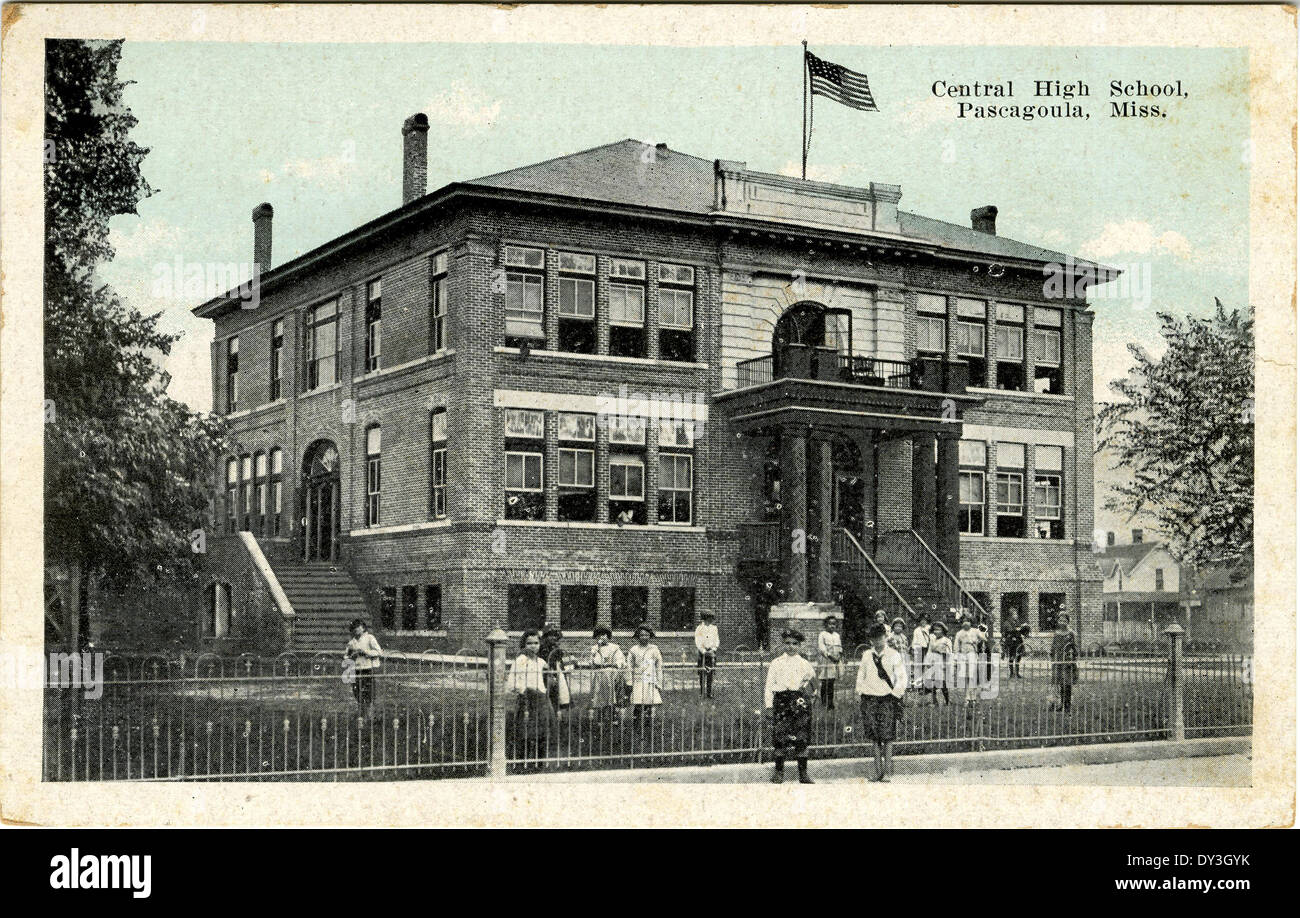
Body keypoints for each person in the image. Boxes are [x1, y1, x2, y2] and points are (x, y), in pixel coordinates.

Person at [764, 628, 818, 784]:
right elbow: (769, 686)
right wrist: (769, 706)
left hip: (799, 702)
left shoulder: (805, 664)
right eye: (787, 643)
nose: (791, 647)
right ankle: (779, 773)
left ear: (799, 645)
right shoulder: (776, 663)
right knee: (780, 737)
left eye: (795, 644)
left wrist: (810, 699)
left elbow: (814, 683)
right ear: (783, 644)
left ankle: (803, 774)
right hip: (781, 702)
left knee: (801, 738)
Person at [857, 622, 908, 782]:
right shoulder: (867, 655)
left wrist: (895, 695)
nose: (878, 641)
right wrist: (860, 691)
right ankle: (877, 772)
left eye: (880, 637)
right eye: (874, 638)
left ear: (886, 637)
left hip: (887, 699)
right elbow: (861, 675)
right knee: (874, 737)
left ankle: (887, 773)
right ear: (871, 639)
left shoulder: (894, 655)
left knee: (887, 737)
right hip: (870, 698)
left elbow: (902, 678)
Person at [509, 630, 552, 757]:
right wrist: (524, 691)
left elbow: (548, 675)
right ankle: (523, 760)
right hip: (527, 699)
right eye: (529, 643)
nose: (533, 646)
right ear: (524, 645)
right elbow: (513, 682)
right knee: (526, 730)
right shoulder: (521, 660)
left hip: (542, 699)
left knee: (542, 731)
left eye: (536, 643)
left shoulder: (541, 661)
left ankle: (539, 761)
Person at [625, 624, 663, 730]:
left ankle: (648, 724)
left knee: (649, 702)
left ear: (650, 636)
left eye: (646, 635)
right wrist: (629, 680)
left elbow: (659, 666)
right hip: (638, 679)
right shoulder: (634, 650)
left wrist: (659, 681)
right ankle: (636, 724)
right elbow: (629, 666)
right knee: (638, 702)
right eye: (641, 635)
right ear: (638, 636)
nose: (644, 637)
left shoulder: (654, 649)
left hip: (650, 678)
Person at [343, 618, 383, 713]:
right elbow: (346, 656)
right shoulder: (351, 642)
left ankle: (369, 714)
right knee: (357, 692)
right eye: (354, 628)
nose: (356, 629)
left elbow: (379, 652)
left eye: (358, 627)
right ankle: (361, 712)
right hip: (355, 670)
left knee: (368, 692)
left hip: (367, 668)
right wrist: (351, 656)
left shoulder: (370, 638)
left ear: (363, 627)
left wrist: (365, 652)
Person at [589, 626, 625, 714]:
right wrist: (595, 653)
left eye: (604, 635)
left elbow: (620, 661)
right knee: (600, 695)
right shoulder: (595, 649)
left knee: (612, 694)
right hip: (599, 676)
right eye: (599, 635)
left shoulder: (614, 648)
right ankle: (600, 715)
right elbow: (593, 663)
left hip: (611, 674)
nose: (602, 637)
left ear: (608, 636)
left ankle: (613, 714)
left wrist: (611, 664)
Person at [1049, 614, 1079, 713]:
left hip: (1068, 662)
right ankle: (1062, 704)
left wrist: (1072, 657)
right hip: (1058, 662)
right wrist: (1052, 657)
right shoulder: (1056, 633)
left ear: (1068, 621)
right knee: (1061, 684)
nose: (1062, 622)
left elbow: (1075, 648)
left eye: (1064, 620)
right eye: (1060, 620)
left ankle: (1067, 705)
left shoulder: (1071, 633)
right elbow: (1053, 647)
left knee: (1067, 683)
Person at [540, 627, 572, 714]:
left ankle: (558, 713)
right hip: (547, 674)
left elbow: (561, 660)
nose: (554, 638)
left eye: (555, 636)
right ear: (546, 637)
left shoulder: (556, 648)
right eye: (551, 636)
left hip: (557, 671)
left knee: (560, 691)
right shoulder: (543, 649)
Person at [815, 616, 844, 709]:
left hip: (835, 661)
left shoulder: (837, 635)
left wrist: (839, 656)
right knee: (825, 682)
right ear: (826, 625)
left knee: (831, 682)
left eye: (834, 624)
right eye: (830, 624)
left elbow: (840, 648)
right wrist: (831, 656)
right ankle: (824, 702)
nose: (832, 626)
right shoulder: (822, 634)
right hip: (826, 660)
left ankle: (830, 704)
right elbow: (822, 648)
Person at [953, 617, 981, 707]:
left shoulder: (975, 631)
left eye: (968, 621)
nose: (966, 623)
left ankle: (973, 698)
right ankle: (967, 698)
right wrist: (956, 657)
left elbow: (983, 638)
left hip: (972, 654)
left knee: (972, 676)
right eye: (964, 621)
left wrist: (976, 641)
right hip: (963, 655)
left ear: (971, 623)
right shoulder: (959, 633)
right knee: (966, 677)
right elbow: (956, 646)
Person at [923, 621, 952, 705]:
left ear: (943, 630)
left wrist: (946, 664)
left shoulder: (946, 640)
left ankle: (947, 701)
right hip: (932, 660)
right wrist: (927, 662)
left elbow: (949, 653)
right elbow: (929, 650)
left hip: (941, 661)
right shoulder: (932, 639)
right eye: (935, 630)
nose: (936, 631)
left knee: (942, 682)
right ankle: (934, 701)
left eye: (938, 630)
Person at [694, 611, 720, 699]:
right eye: (710, 618)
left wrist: (713, 649)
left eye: (712, 619)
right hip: (703, 653)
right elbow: (698, 641)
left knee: (710, 673)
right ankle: (702, 692)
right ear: (705, 618)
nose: (711, 620)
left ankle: (709, 692)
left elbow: (716, 640)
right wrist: (704, 651)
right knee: (702, 672)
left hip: (711, 652)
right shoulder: (699, 628)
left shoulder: (714, 628)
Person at [910, 614, 932, 687]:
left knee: (928, 665)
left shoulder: (929, 628)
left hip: (928, 648)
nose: (923, 622)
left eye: (925, 621)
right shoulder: (917, 630)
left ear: (927, 621)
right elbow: (914, 640)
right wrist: (914, 648)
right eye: (922, 621)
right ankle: (919, 684)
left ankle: (928, 683)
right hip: (919, 649)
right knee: (919, 667)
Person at [1003, 613, 1027, 679]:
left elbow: (1020, 631)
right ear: (1011, 615)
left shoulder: (1017, 622)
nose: (1016, 616)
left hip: (1018, 642)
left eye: (1016, 614)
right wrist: (1017, 630)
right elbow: (1009, 631)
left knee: (1018, 658)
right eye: (1015, 614)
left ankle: (1017, 673)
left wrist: (1024, 628)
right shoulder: (1007, 623)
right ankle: (1011, 673)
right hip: (1011, 643)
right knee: (1011, 658)